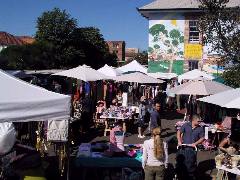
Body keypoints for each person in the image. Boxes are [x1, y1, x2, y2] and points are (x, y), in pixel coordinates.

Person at [176, 115, 204, 179]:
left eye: (200, 121)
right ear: (193, 120)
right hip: (183, 147)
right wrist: (179, 141)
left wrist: (195, 143)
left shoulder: (200, 128)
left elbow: (202, 138)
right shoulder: (186, 125)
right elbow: (179, 132)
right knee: (181, 162)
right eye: (198, 121)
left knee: (191, 163)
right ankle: (180, 175)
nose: (200, 122)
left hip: (192, 149)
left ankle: (190, 176)